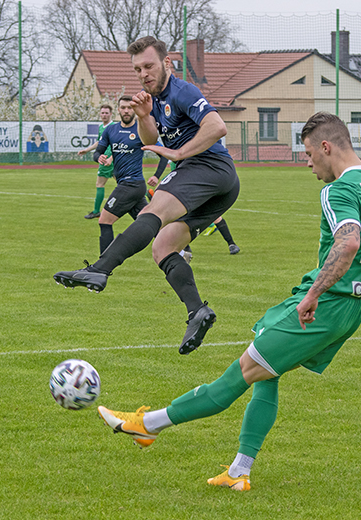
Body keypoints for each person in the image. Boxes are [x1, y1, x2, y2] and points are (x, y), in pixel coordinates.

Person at [97, 112, 361, 491]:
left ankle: (147, 425)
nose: (307, 162)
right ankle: (239, 472)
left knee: (238, 375)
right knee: (265, 370)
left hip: (326, 304)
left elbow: (349, 241)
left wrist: (315, 294)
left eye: (307, 153)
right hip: (350, 303)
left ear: (326, 147)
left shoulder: (338, 190)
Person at [54, 36, 240, 355]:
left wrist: (179, 152)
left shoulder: (182, 91)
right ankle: (198, 311)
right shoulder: (153, 99)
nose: (143, 73)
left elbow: (217, 126)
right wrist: (143, 116)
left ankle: (100, 270)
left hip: (208, 167)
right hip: (221, 184)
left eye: (149, 66)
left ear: (166, 63)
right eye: (138, 68)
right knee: (163, 247)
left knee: (150, 213)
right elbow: (150, 138)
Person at [93, 95, 150, 254]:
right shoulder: (111, 130)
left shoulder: (141, 129)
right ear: (118, 110)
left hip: (131, 184)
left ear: (134, 110)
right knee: (148, 222)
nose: (126, 111)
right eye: (123, 107)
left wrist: (157, 175)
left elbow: (161, 153)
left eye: (129, 108)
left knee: (104, 220)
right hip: (129, 186)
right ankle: (181, 250)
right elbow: (97, 152)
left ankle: (103, 264)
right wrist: (100, 157)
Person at [151, 157, 241, 255]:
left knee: (178, 215)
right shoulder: (181, 152)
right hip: (192, 182)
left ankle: (186, 249)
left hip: (190, 184)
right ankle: (231, 244)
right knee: (212, 216)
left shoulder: (181, 153)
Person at [78, 105, 115, 219]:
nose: (104, 115)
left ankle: (96, 211)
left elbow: (118, 144)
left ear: (111, 114)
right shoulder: (101, 127)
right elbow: (99, 142)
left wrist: (111, 157)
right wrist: (87, 150)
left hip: (106, 159)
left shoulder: (113, 127)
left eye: (106, 113)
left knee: (100, 184)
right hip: (111, 158)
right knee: (125, 183)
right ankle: (145, 199)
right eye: (102, 113)